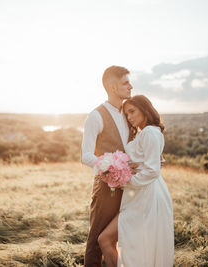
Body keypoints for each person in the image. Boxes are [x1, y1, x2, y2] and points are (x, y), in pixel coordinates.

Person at [97, 95, 174, 267]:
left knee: (106, 239)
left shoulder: (149, 132)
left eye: (132, 111)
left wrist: (123, 180)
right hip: (139, 194)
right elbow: (149, 161)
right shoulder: (147, 132)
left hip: (146, 195)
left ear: (145, 109)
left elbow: (152, 171)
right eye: (127, 114)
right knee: (138, 244)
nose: (130, 117)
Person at [81, 65, 133, 267]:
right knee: (96, 240)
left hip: (129, 188)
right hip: (105, 189)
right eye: (125, 82)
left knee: (118, 239)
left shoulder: (128, 113)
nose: (130, 86)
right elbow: (85, 155)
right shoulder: (95, 116)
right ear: (112, 87)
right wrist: (110, 167)